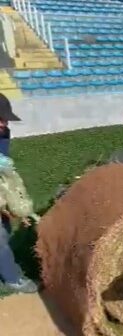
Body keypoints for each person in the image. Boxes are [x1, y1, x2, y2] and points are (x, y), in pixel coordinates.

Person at [0, 93, 38, 293]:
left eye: (5, 119)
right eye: (0, 118)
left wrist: (10, 200)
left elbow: (5, 172)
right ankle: (12, 278)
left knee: (4, 229)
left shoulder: (4, 132)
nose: (4, 123)